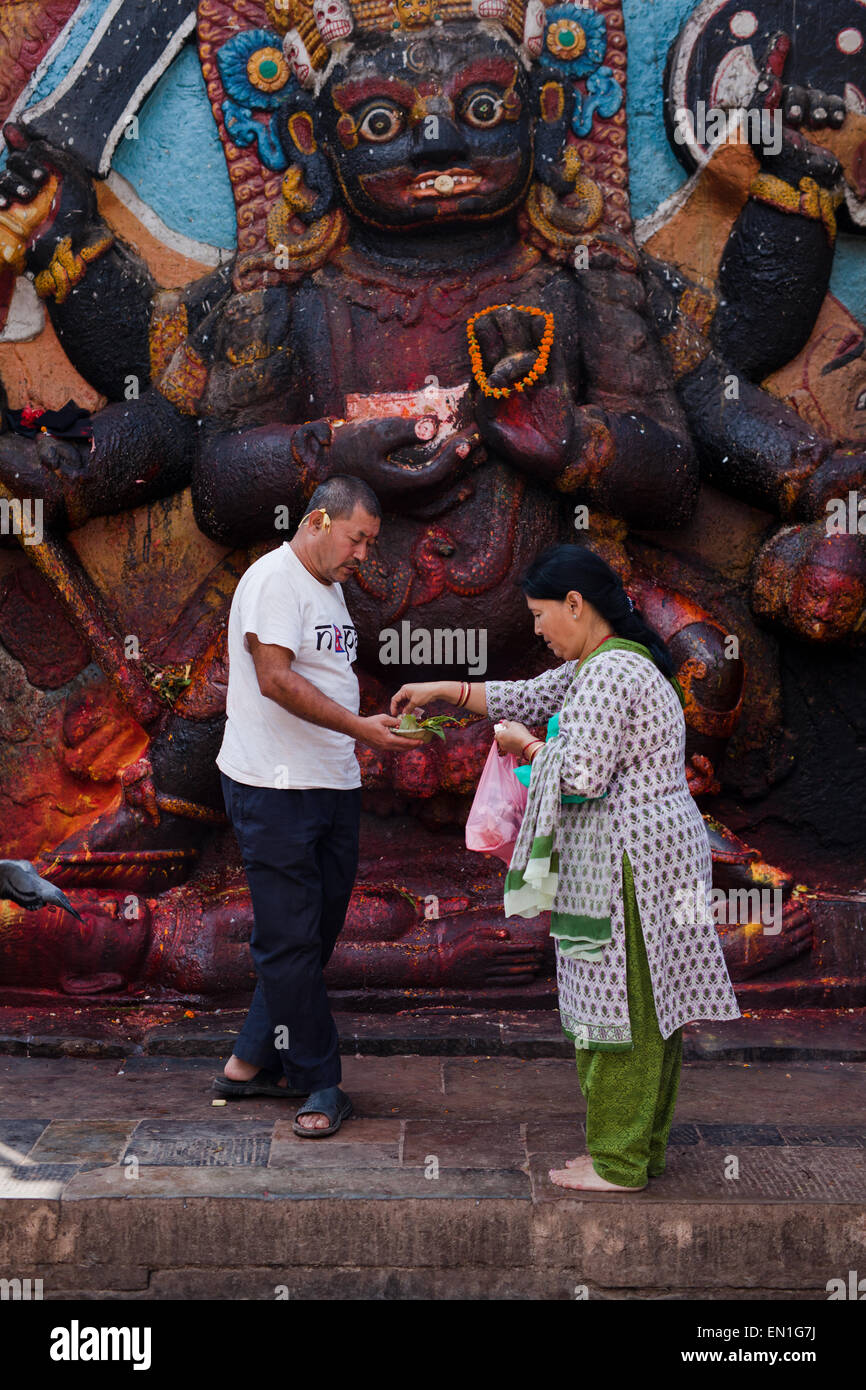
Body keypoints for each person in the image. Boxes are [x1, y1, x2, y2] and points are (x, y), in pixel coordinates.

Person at [391, 543, 741, 1190]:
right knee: (650, 1006)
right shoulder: (606, 663)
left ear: (575, 605)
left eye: (539, 614)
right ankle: (637, 1151)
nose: (536, 628)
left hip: (629, 863)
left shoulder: (609, 673)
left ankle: (617, 1163)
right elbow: (523, 695)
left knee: (619, 1009)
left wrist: (525, 746)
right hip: (643, 857)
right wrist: (444, 688)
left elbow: (579, 776)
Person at [214, 475, 411, 1136]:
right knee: (289, 940)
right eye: (358, 539)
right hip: (274, 789)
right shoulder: (274, 580)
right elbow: (274, 679)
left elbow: (324, 679)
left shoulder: (327, 590)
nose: (363, 556)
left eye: (368, 544)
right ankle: (319, 1080)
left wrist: (367, 729)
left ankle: (248, 1060)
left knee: (310, 936)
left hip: (330, 783)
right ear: (320, 520)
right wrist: (362, 729)